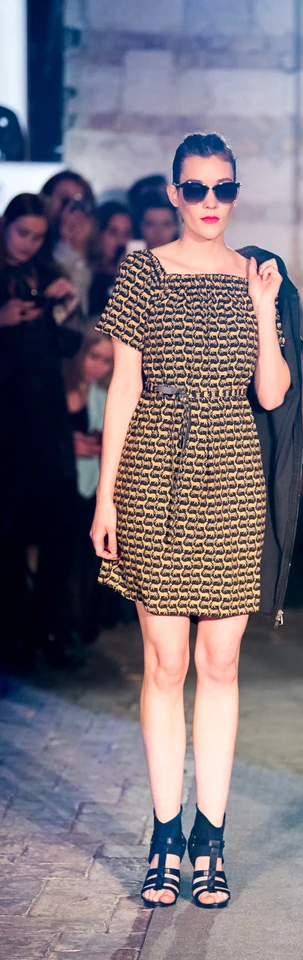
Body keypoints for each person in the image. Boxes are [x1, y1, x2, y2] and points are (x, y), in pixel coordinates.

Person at [90, 133, 302, 909]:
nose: (211, 202)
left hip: (233, 469)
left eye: (224, 188)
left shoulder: (257, 274)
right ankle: (164, 834)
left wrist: (263, 306)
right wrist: (105, 496)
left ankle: (210, 837)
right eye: (197, 188)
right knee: (165, 663)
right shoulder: (142, 269)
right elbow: (123, 388)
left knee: (220, 662)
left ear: (235, 192)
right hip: (153, 466)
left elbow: (272, 394)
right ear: (175, 193)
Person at [0, 193, 83, 669]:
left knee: (59, 521)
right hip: (8, 416)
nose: (28, 243)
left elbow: (69, 344)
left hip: (48, 414)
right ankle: (13, 635)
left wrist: (65, 306)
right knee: (9, 529)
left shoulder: (47, 274)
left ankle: (49, 626)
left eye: (37, 236)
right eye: (22, 233)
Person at [64, 323, 114, 643]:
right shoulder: (56, 388)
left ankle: (82, 626)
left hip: (91, 488)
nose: (99, 366)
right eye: (94, 356)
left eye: (107, 361)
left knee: (89, 561)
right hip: (57, 486)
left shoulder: (104, 396)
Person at [41, 170, 98, 317]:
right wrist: (65, 243)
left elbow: (81, 306)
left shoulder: (93, 244)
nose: (71, 209)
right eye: (65, 200)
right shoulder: (33, 239)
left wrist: (80, 247)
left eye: (79, 203)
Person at [89, 202, 133, 315]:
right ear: (99, 234)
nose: (121, 241)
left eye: (126, 233)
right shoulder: (87, 273)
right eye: (113, 232)